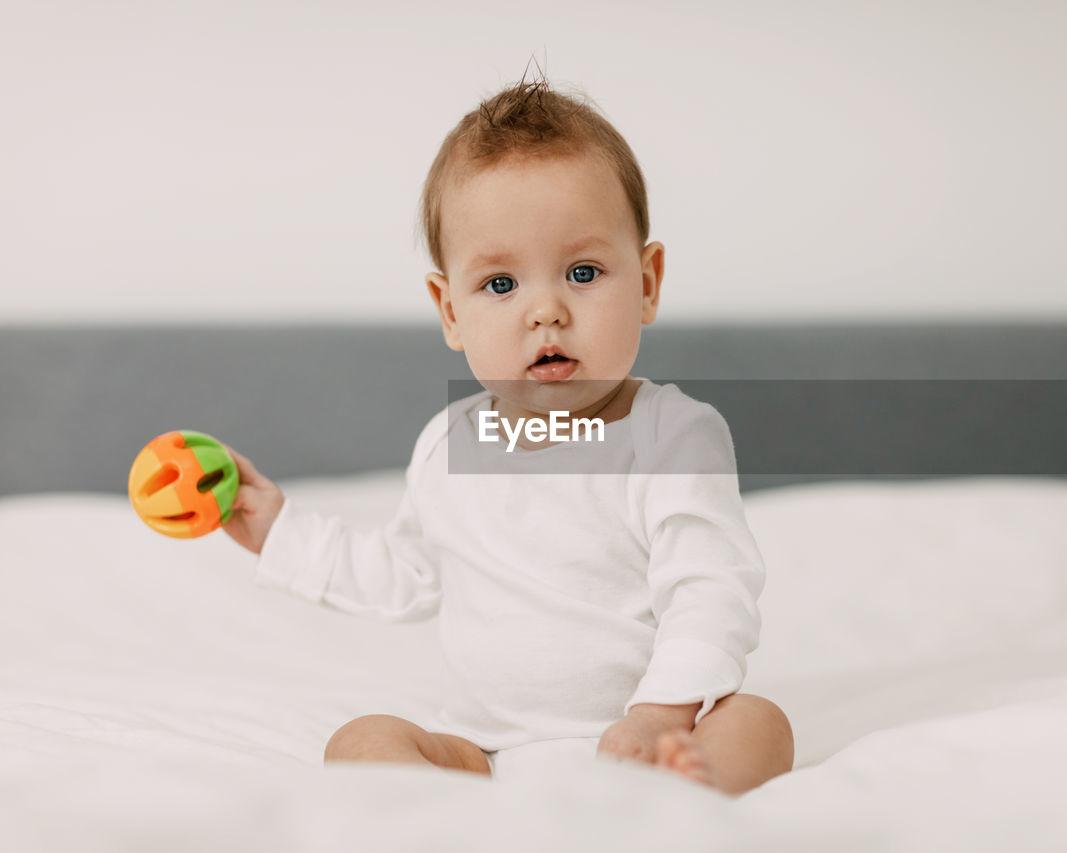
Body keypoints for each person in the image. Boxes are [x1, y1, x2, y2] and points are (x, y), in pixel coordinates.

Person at [221, 66, 794, 797]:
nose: (546, 310)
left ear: (647, 283)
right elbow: (407, 570)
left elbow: (711, 591)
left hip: (652, 729)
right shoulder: (449, 444)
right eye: (500, 284)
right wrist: (279, 531)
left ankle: (674, 799)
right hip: (483, 748)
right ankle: (456, 820)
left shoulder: (673, 435)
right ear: (449, 309)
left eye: (583, 271)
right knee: (360, 740)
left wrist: (662, 714)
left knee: (759, 721)